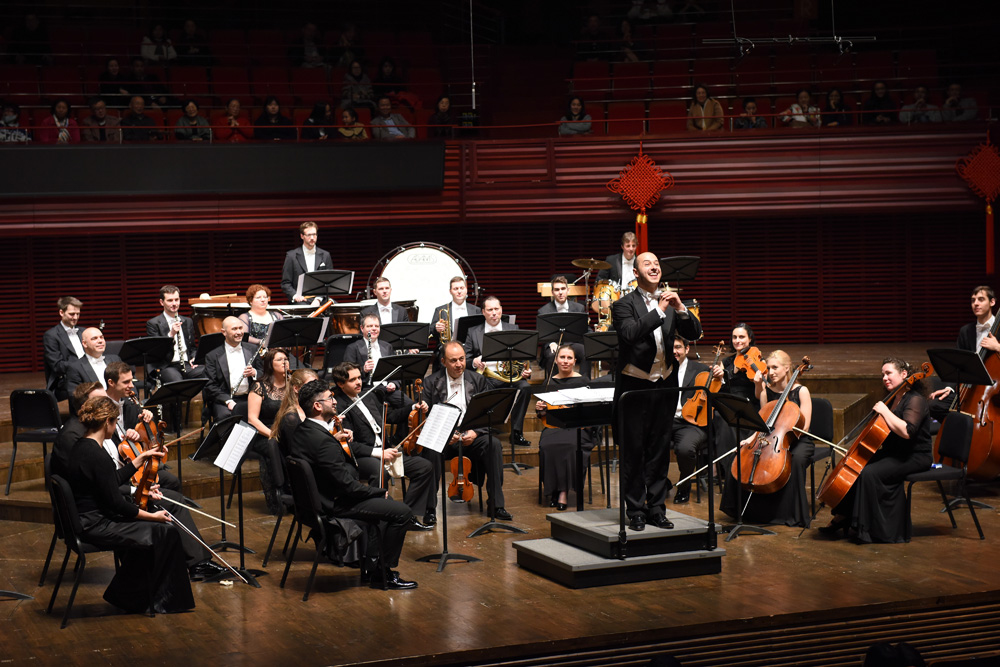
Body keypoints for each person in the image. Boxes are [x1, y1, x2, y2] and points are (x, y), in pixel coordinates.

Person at [61, 396, 195, 614]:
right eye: (115, 422)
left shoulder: (81, 447)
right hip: (96, 525)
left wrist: (140, 459)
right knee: (166, 531)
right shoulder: (98, 456)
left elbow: (109, 481)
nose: (116, 428)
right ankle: (161, 600)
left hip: (87, 519)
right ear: (107, 422)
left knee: (157, 530)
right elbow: (116, 504)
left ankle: (128, 596)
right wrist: (153, 517)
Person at [290, 380, 418, 590]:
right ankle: (383, 574)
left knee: (387, 509)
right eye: (330, 398)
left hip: (316, 502)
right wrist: (378, 492)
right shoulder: (323, 442)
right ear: (317, 406)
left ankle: (372, 565)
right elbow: (348, 486)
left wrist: (334, 440)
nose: (335, 401)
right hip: (335, 504)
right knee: (402, 512)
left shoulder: (303, 430)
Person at [611, 252, 702, 531]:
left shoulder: (671, 303)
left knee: (660, 451)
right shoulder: (623, 305)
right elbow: (630, 334)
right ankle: (636, 511)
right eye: (647, 263)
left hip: (664, 386)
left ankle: (657, 509)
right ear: (636, 273)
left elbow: (694, 333)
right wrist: (659, 311)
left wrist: (682, 309)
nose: (654, 267)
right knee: (634, 451)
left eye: (657, 264)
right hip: (635, 387)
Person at [822, 357, 932, 543]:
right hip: (894, 453)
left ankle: (867, 529)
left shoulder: (915, 400)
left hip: (914, 456)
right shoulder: (892, 398)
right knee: (857, 466)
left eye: (889, 373)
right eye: (883, 374)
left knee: (870, 473)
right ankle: (845, 515)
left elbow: (907, 431)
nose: (885, 378)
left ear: (904, 374)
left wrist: (885, 411)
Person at [330, 362, 434, 528]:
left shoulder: (367, 395)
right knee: (379, 472)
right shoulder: (338, 406)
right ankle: (382, 521)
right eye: (352, 380)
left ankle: (406, 516)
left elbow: (390, 417)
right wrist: (379, 453)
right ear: (340, 384)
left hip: (386, 451)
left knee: (424, 467)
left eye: (359, 378)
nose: (358, 382)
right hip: (363, 456)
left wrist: (413, 407)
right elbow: (349, 446)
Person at [720, 350, 813, 527]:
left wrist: (786, 423)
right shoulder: (766, 392)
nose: (770, 372)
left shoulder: (802, 391)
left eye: (775, 367)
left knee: (796, 460)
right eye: (769, 368)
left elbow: (805, 426)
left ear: (787, 368)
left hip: (797, 438)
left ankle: (791, 514)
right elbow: (763, 423)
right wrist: (750, 440)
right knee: (741, 457)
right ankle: (746, 511)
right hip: (771, 438)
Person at [421, 341, 512, 523]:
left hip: (471, 434)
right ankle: (430, 508)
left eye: (462, 359)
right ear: (443, 361)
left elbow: (488, 414)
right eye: (453, 360)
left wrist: (476, 432)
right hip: (444, 437)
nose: (459, 364)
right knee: (430, 451)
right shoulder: (430, 382)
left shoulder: (477, 380)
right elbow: (427, 418)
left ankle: (496, 505)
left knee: (493, 445)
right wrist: (445, 433)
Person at [464, 296, 534, 447]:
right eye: (490, 310)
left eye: (497, 309)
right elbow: (466, 359)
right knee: (478, 388)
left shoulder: (512, 329)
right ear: (483, 312)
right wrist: (474, 361)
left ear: (501, 310)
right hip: (486, 377)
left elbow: (522, 357)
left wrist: (525, 370)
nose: (494, 313)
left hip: (510, 376)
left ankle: (516, 432)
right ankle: (484, 431)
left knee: (525, 387)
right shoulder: (473, 332)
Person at [535, 345, 595, 509]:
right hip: (554, 427)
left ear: (575, 361)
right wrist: (541, 410)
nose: (565, 361)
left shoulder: (584, 381)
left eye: (569, 358)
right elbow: (544, 415)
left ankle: (563, 492)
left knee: (570, 445)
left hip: (578, 428)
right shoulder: (549, 381)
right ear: (556, 360)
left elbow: (590, 412)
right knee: (546, 445)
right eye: (562, 357)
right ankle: (553, 490)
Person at [927, 285, 1000, 420]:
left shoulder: (999, 327)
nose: (976, 303)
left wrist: (997, 347)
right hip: (969, 387)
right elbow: (958, 364)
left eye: (981, 299)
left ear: (992, 302)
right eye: (973, 300)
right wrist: (950, 388)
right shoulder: (966, 331)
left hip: (995, 390)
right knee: (934, 406)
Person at [669, 337, 723, 504]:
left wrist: (720, 377)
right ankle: (660, 483)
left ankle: (684, 485)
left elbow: (719, 393)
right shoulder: (661, 370)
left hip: (692, 423)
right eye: (671, 347)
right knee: (646, 442)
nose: (674, 351)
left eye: (678, 347)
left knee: (685, 449)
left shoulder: (701, 370)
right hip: (666, 420)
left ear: (687, 349)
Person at [145, 285, 205, 385]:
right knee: (177, 383)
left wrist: (194, 358)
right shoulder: (153, 324)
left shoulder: (188, 321)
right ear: (161, 302)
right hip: (167, 365)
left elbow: (192, 347)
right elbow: (157, 352)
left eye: (176, 300)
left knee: (209, 373)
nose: (174, 304)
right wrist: (171, 334)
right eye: (170, 300)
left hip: (187, 364)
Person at [203, 316, 258, 421]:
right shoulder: (212, 356)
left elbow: (263, 373)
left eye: (240, 328)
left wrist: (254, 372)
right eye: (234, 329)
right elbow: (210, 385)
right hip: (226, 398)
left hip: (251, 397)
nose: (239, 332)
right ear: (224, 332)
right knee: (224, 417)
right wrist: (228, 401)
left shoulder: (253, 349)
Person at [538, 275, 589, 379]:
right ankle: (554, 385)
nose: (560, 292)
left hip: (574, 343)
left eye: (563, 289)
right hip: (555, 344)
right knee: (551, 355)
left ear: (568, 290)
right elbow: (542, 334)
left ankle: (585, 382)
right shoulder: (543, 311)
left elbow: (585, 329)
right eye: (557, 290)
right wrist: (551, 343)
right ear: (552, 292)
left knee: (586, 352)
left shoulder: (579, 308)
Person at [43, 297, 85, 401]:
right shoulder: (51, 335)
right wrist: (84, 365)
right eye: (72, 314)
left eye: (78, 314)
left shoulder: (84, 332)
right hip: (65, 381)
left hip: (86, 375)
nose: (75, 317)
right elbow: (58, 366)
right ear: (61, 312)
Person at [280, 221, 334, 303]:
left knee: (338, 308)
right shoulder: (291, 256)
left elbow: (329, 281)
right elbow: (285, 283)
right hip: (300, 299)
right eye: (309, 235)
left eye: (314, 234)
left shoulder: (325, 255)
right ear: (302, 236)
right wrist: (295, 296)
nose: (312, 238)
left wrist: (318, 299)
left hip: (320, 298)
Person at [272, 368, 320, 457]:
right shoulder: (291, 418)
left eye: (316, 385)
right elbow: (297, 450)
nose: (315, 390)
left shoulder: (310, 409)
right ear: (296, 389)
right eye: (310, 385)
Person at [65, 327, 122, 398]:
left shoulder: (115, 359)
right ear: (84, 343)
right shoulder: (75, 367)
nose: (100, 341)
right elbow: (76, 397)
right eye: (94, 338)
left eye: (101, 337)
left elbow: (128, 383)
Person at [247, 348, 289, 437]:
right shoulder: (259, 386)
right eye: (279, 360)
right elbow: (252, 419)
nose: (284, 362)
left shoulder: (294, 384)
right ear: (270, 364)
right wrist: (274, 435)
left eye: (286, 359)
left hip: (290, 431)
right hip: (268, 434)